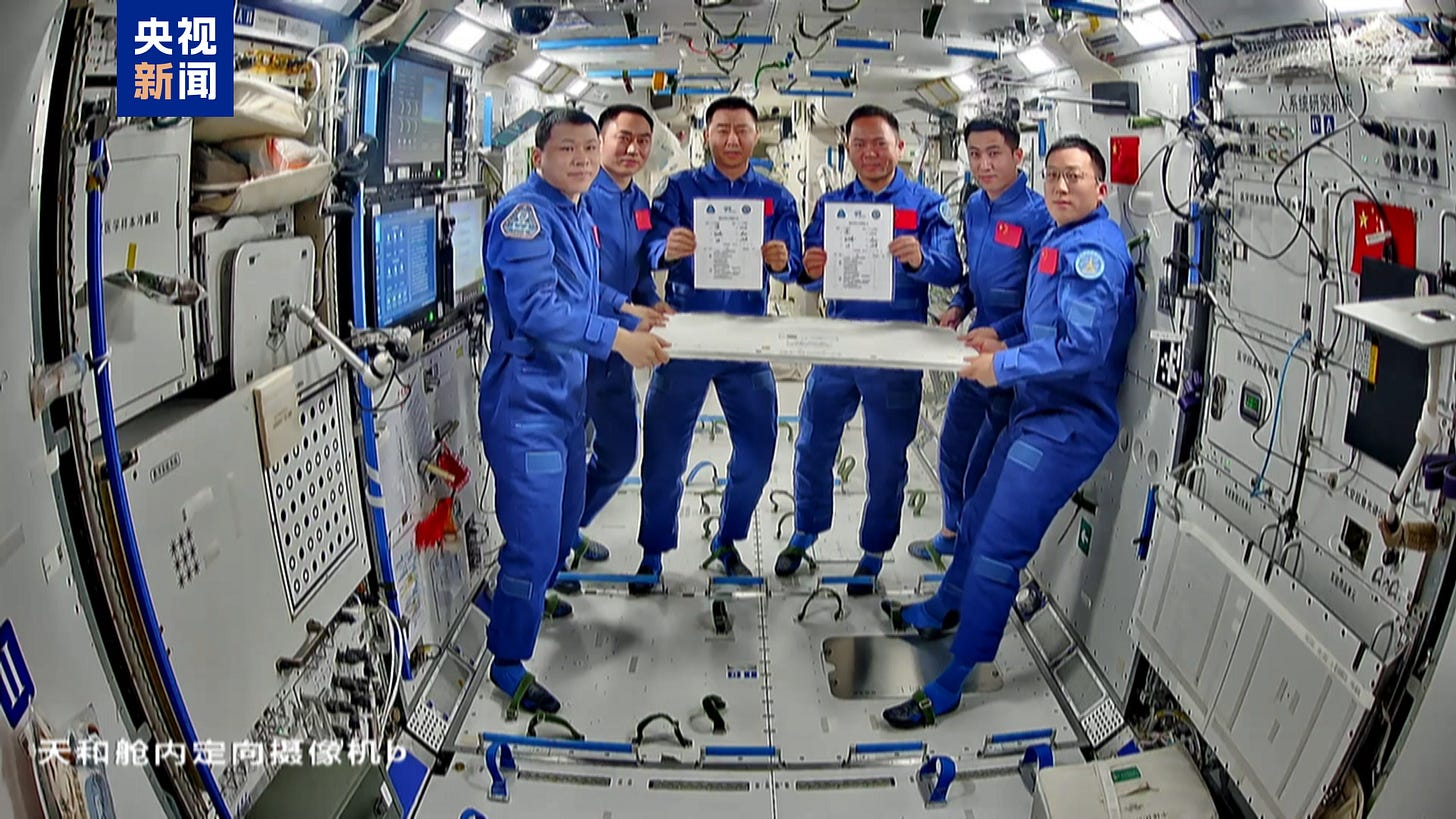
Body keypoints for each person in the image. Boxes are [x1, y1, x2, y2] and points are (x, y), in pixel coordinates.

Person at [882, 136, 1137, 729]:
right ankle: (945, 605)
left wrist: (1002, 365)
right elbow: (1038, 315)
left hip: (1067, 425)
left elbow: (1082, 347)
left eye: (1074, 177)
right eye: (1054, 176)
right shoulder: (1057, 236)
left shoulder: (1096, 253)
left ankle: (955, 676)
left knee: (998, 546)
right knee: (974, 516)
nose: (1060, 187)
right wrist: (1002, 335)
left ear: (1101, 189)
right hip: (1035, 409)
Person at [478, 108, 669, 714]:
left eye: (590, 148)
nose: (583, 159)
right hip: (526, 402)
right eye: (569, 150)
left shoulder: (575, 209)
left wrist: (630, 308)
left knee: (563, 530)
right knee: (535, 543)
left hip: (565, 399)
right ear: (540, 157)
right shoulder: (525, 216)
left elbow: (583, 291)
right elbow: (537, 310)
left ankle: (528, 593)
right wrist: (618, 339)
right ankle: (507, 659)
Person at [773, 105, 962, 593]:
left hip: (896, 350)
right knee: (813, 444)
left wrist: (921, 258)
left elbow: (950, 269)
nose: (870, 152)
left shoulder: (925, 205)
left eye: (880, 142)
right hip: (837, 343)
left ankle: (874, 550)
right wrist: (809, 267)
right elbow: (803, 271)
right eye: (860, 143)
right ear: (848, 148)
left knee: (886, 458)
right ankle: (805, 530)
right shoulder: (833, 205)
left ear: (899, 147)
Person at [632, 96, 804, 592]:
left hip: (746, 339)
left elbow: (794, 262)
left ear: (756, 135)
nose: (732, 140)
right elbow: (649, 244)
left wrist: (781, 261)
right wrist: (667, 249)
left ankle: (728, 539)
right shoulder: (679, 190)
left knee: (758, 451)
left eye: (742, 131)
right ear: (706, 135)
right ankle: (653, 551)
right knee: (664, 453)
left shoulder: (776, 197)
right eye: (722, 130)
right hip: (685, 336)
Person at [906, 117, 1055, 566]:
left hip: (1014, 356)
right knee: (951, 445)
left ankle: (976, 548)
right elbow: (976, 274)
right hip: (975, 349)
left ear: (1018, 156)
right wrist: (958, 302)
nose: (984, 164)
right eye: (975, 155)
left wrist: (1003, 332)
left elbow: (1041, 301)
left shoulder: (1039, 216)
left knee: (984, 465)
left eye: (994, 153)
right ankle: (952, 531)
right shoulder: (975, 207)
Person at [556, 104, 665, 586]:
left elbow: (640, 267)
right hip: (575, 346)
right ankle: (553, 559)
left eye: (643, 140)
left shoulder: (638, 202)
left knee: (619, 452)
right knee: (563, 457)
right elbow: (576, 284)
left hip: (617, 350)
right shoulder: (578, 197)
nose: (633, 149)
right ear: (600, 139)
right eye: (623, 138)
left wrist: (653, 304)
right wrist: (624, 313)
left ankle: (571, 525)